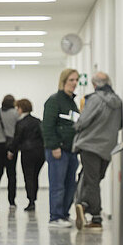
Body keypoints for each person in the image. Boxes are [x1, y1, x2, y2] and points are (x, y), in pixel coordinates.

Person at [72, 73, 123, 229]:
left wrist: (76, 125)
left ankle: (94, 215)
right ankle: (85, 204)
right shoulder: (118, 101)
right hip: (108, 148)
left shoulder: (95, 99)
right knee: (93, 178)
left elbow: (83, 121)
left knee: (91, 180)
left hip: (90, 146)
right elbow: (120, 124)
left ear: (94, 84)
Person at [43, 69, 82, 227]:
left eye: (76, 80)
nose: (74, 83)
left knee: (70, 185)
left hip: (71, 151)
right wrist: (54, 146)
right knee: (58, 185)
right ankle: (55, 217)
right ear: (63, 80)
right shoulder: (54, 101)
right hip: (58, 151)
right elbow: (47, 126)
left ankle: (64, 214)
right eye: (71, 80)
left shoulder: (72, 102)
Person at [11, 98, 44, 211]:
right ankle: (33, 198)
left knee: (28, 177)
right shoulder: (38, 121)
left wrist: (11, 150)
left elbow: (17, 139)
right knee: (35, 176)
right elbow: (43, 136)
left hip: (27, 153)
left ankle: (31, 201)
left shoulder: (20, 123)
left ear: (21, 109)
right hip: (40, 152)